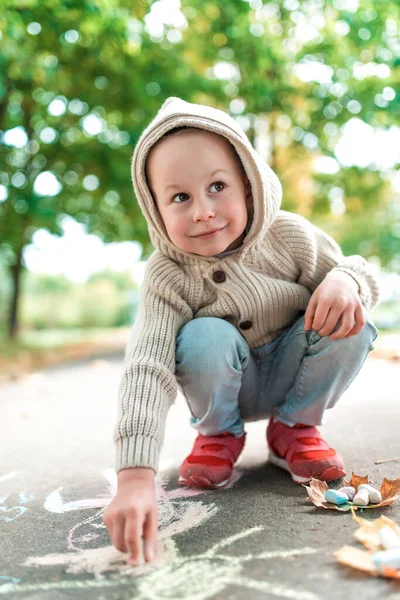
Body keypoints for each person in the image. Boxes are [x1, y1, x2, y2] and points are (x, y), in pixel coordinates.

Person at [103, 96, 379, 566]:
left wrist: (345, 279)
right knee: (204, 334)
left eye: (217, 186)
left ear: (249, 187)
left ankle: (295, 427)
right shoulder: (168, 274)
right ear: (155, 211)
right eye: (179, 197)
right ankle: (219, 435)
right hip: (227, 383)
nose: (203, 211)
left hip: (296, 371)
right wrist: (134, 475)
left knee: (351, 318)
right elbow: (146, 366)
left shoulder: (289, 236)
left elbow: (360, 272)